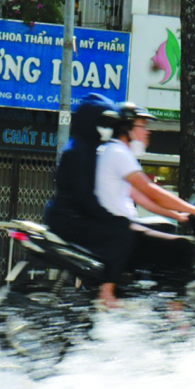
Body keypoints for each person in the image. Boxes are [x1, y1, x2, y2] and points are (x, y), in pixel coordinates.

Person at [94, 102, 195, 307]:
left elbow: (140, 197)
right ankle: (172, 312)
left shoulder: (110, 152)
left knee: (166, 226)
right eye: (142, 125)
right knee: (185, 248)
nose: (147, 132)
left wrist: (178, 215)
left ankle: (151, 300)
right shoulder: (119, 154)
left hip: (117, 227)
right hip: (119, 230)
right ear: (127, 127)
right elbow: (151, 191)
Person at [45, 93, 133, 269]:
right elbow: (83, 195)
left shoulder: (86, 147)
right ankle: (108, 291)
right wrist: (110, 218)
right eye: (103, 123)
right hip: (70, 219)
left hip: (68, 215)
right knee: (122, 234)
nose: (106, 129)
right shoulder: (80, 152)